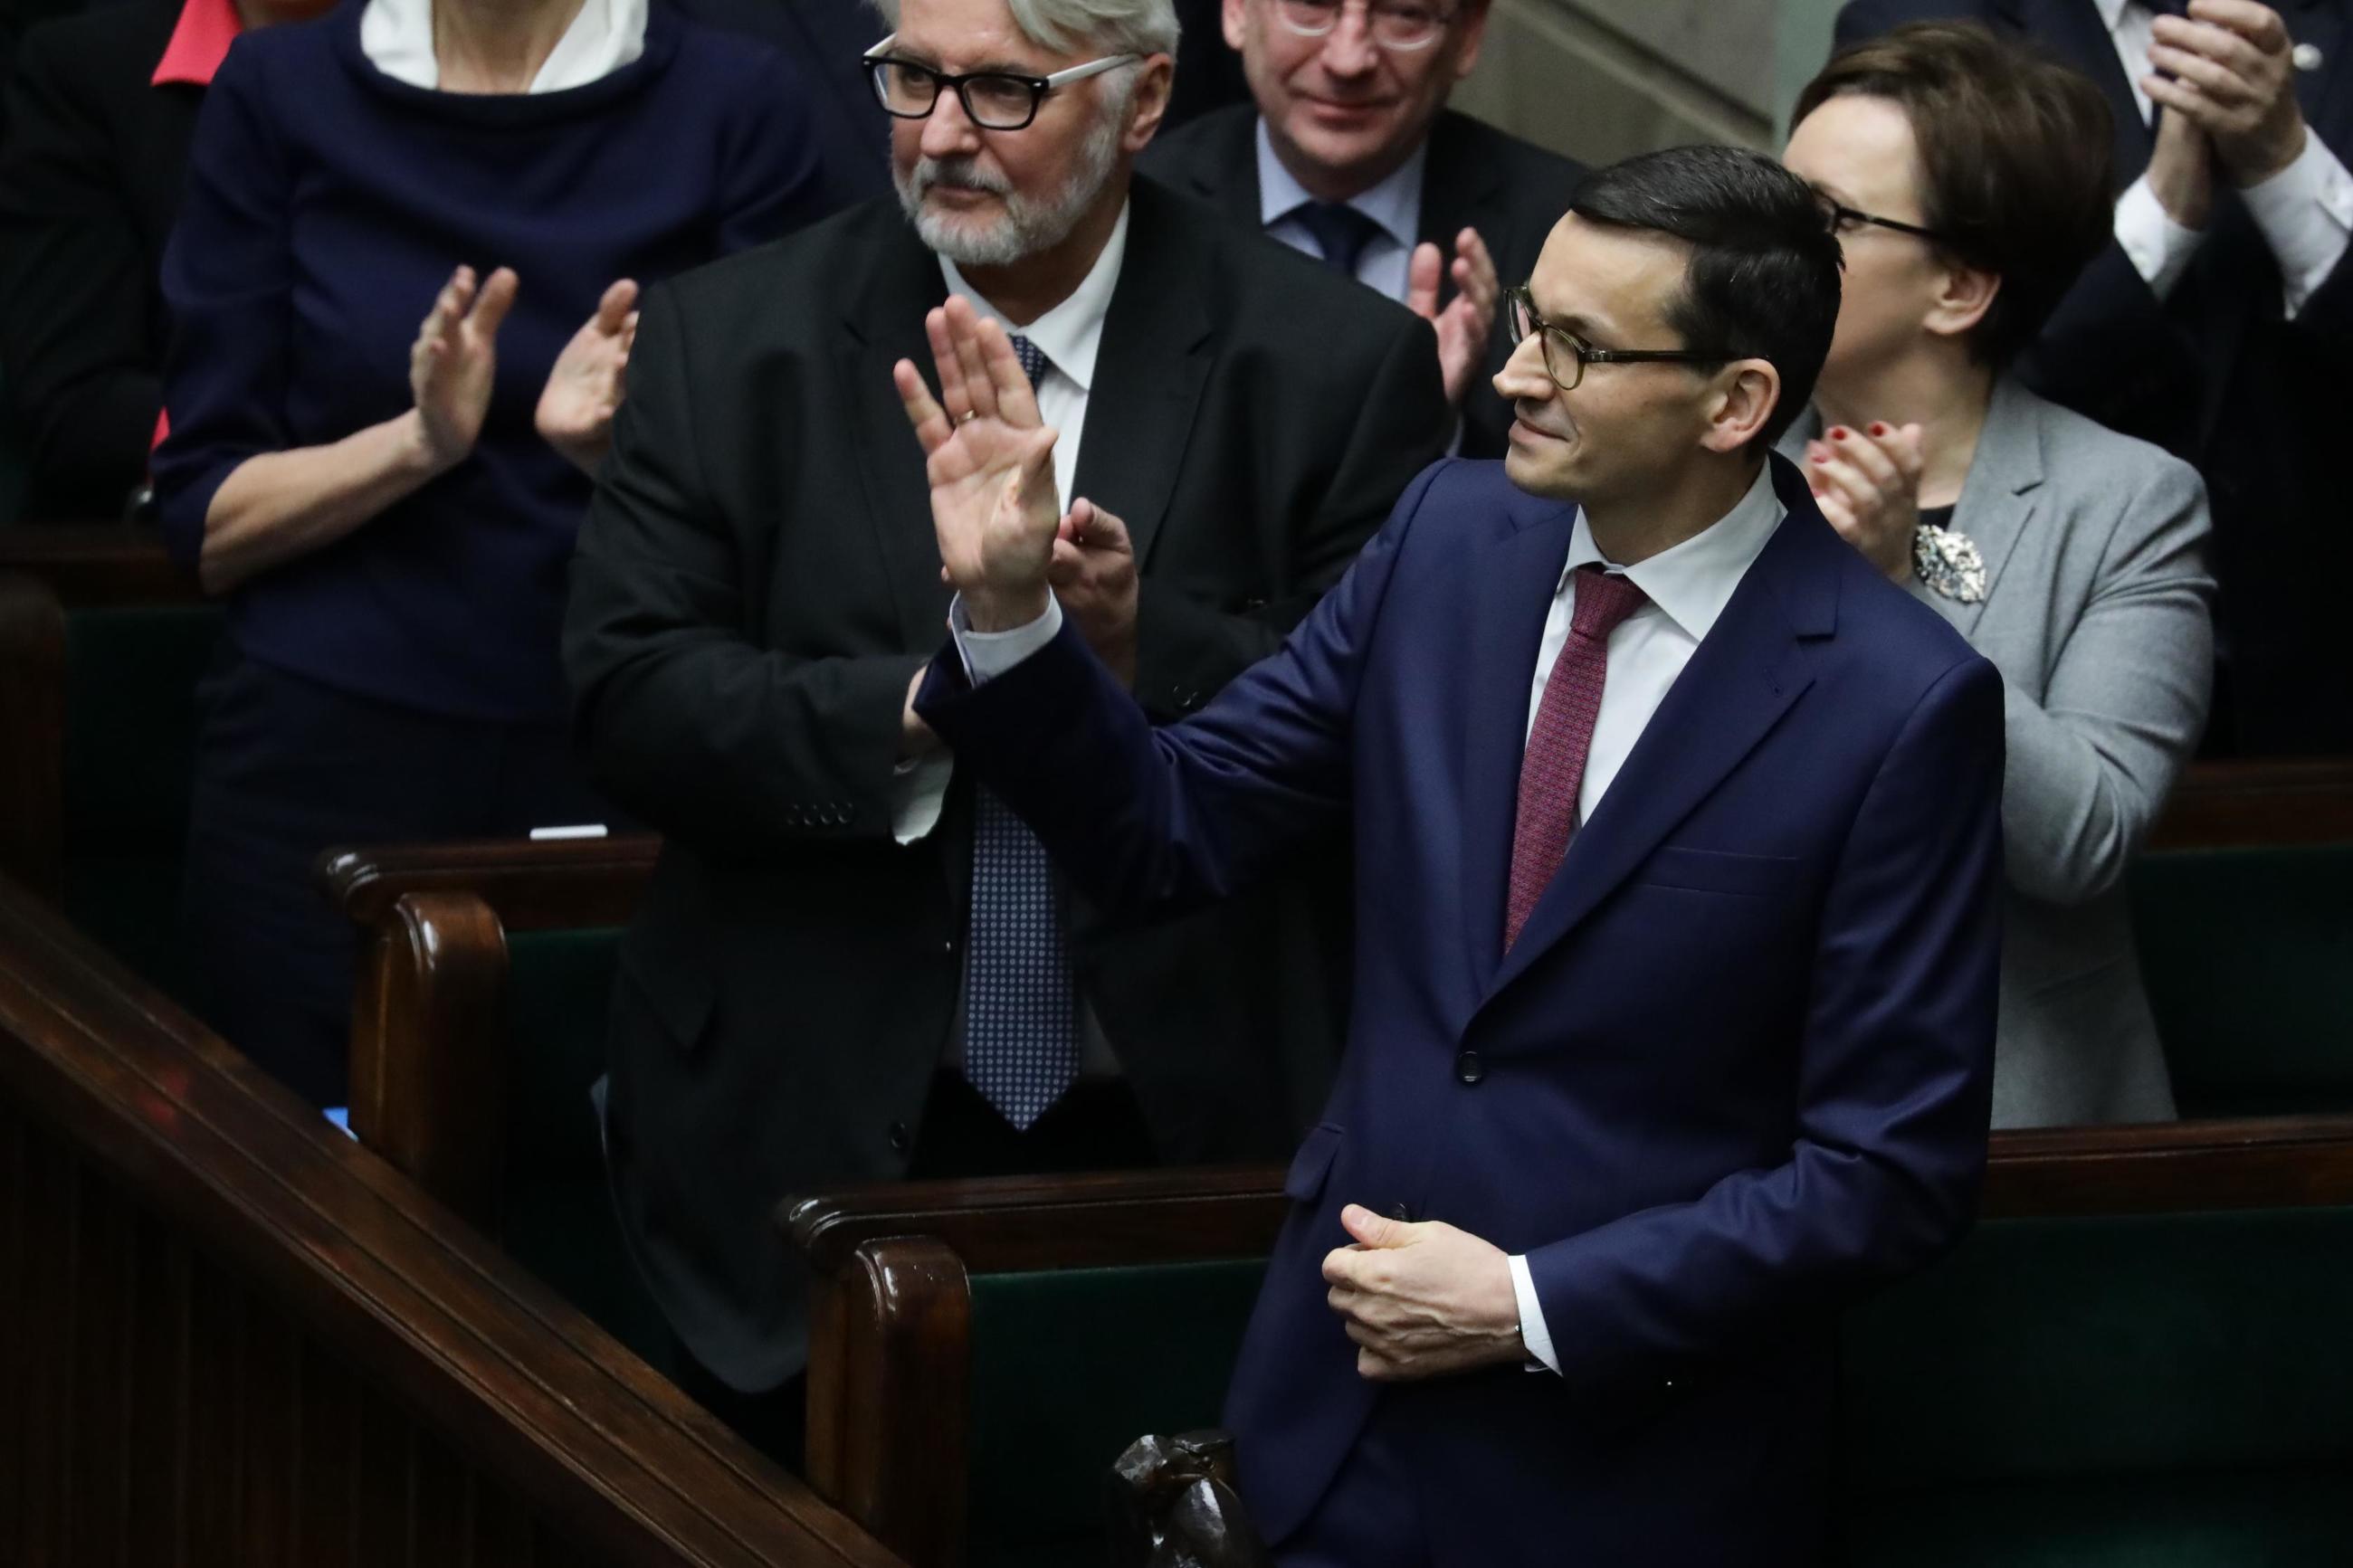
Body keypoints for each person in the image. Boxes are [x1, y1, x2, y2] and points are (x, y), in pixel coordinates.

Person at [910, 144, 2005, 1565]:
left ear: (1736, 401)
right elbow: (1179, 826)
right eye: (1529, 319)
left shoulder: (1895, 700)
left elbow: (1887, 1169)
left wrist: (1533, 1303)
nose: (1515, 374)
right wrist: (1011, 621)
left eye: (1579, 347)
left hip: (1635, 1475)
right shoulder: (1446, 537)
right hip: (1331, 1426)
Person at [561, 0, 1448, 1464]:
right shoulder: (732, 338)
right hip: (801, 1126)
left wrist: (1122, 653)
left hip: (1184, 1126)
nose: (944, 132)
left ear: (1145, 98)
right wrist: (947, 692)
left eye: (1003, 90)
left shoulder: (1333, 364)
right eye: (911, 78)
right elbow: (627, 694)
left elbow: (1394, 746)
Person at [149, 0, 835, 1109]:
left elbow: (804, 515)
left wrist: (615, 454)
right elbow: (206, 521)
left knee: (592, 1205)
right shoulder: (280, 92)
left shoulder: (733, 101)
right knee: (291, 1209)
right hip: (320, 763)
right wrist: (418, 444)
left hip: (623, 744)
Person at [1783, 24, 2215, 1128]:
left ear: (1958, 288)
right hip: (1731, 1121)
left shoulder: (2124, 502)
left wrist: (1895, 595)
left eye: (1823, 220)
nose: (1764, 241)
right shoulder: (1709, 466)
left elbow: (2084, 837)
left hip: (2010, 1116)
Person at [1834, 0, 2351, 755]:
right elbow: (1920, 356)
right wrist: (2164, 211)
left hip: (2321, 656)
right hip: (2022, 637)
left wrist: (2284, 162)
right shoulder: (1926, 19)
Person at [1141, 0, 1583, 459]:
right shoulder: (1136, 205)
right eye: (1312, 6)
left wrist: (1431, 432)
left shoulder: (1563, 234)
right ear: (1237, 11)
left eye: (1404, 14)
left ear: (1468, 35)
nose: (1348, 61)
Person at [0, 0, 330, 523]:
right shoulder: (85, 71)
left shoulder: (460, 64)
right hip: (172, 553)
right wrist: (345, 441)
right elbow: (76, 406)